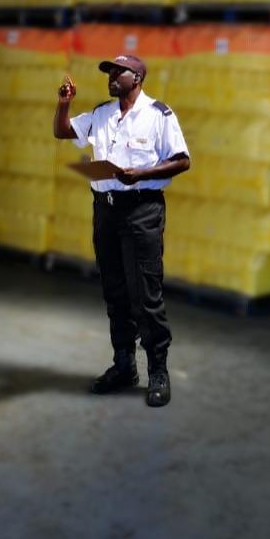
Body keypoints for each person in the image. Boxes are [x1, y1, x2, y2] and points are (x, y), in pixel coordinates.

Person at [53, 55, 190, 407]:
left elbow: (182, 160)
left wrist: (140, 174)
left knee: (145, 293)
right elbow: (63, 131)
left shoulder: (159, 114)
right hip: (107, 211)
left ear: (138, 77)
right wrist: (64, 103)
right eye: (109, 73)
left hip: (142, 211)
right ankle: (124, 364)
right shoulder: (101, 114)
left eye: (118, 72)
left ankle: (158, 370)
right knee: (114, 291)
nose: (111, 77)